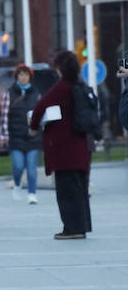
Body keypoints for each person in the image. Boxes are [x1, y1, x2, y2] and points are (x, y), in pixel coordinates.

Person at [31, 51, 92, 239]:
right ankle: (82, 227)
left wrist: (33, 126)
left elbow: (41, 106)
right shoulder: (81, 86)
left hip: (65, 150)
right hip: (82, 147)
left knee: (66, 193)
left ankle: (71, 229)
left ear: (60, 68)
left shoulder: (63, 87)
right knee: (81, 192)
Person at [1, 63, 43, 205]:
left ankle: (32, 193)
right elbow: (4, 116)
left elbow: (41, 114)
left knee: (31, 168)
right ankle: (17, 184)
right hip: (16, 137)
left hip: (33, 137)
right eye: (20, 75)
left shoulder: (36, 94)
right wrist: (4, 134)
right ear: (17, 77)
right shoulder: (9, 93)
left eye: (26, 75)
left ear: (30, 77)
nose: (23, 77)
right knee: (18, 166)